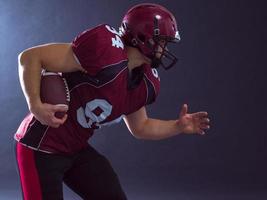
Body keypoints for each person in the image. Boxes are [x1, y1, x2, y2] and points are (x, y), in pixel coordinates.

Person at [14, 3, 210, 200]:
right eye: (162, 41)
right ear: (144, 39)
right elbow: (31, 57)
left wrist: (177, 126)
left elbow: (141, 127)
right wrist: (35, 105)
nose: (165, 48)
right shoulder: (104, 50)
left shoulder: (144, 81)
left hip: (76, 148)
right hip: (40, 146)